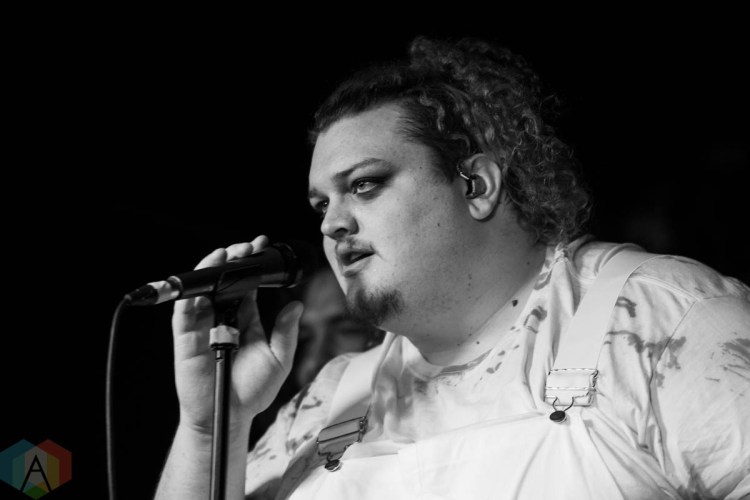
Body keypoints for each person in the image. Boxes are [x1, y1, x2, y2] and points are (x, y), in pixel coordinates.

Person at [153, 36, 750, 499]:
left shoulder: (664, 321)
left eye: (364, 185)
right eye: (320, 205)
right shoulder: (334, 396)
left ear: (477, 185)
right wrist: (211, 426)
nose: (332, 223)